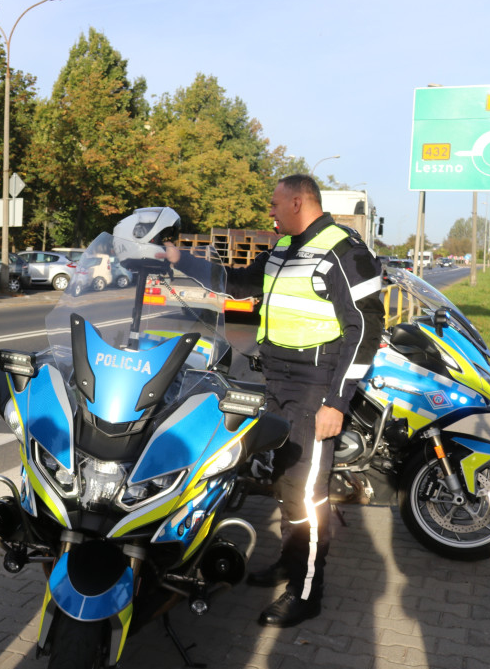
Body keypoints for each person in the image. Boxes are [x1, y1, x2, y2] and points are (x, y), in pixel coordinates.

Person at [165, 174, 384, 627]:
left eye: (275, 203)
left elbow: (365, 328)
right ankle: (289, 562)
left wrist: (337, 402)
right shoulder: (283, 250)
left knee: (307, 494)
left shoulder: (344, 250)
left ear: (300, 201)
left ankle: (307, 593)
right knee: (286, 483)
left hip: (316, 388)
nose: (269, 211)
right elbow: (236, 282)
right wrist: (176, 258)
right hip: (278, 384)